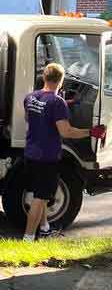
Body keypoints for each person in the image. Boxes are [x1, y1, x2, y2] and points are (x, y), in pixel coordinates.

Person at [22, 62, 104, 241]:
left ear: (44, 77)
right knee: (40, 198)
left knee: (39, 195)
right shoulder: (57, 102)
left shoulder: (30, 97)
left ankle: (44, 229)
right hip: (47, 157)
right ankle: (28, 239)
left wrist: (57, 110)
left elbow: (32, 118)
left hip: (30, 153)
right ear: (61, 81)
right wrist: (91, 132)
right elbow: (66, 132)